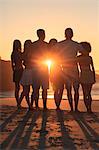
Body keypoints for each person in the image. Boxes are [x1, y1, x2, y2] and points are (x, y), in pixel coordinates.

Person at [58, 28, 83, 111]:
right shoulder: (76, 44)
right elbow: (84, 52)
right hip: (72, 67)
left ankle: (73, 108)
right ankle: (74, 108)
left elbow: (53, 51)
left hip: (66, 68)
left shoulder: (61, 44)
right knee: (75, 89)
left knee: (70, 89)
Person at [31, 29, 49, 109]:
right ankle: (43, 106)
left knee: (36, 88)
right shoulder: (46, 45)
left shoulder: (33, 45)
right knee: (43, 88)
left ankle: (36, 105)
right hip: (43, 68)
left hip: (37, 67)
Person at [77, 42, 96, 113]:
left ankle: (89, 108)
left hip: (88, 74)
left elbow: (93, 68)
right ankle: (88, 108)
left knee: (88, 93)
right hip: (84, 74)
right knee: (86, 93)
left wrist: (94, 77)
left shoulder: (89, 57)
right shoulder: (79, 57)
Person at [49, 38, 64, 109]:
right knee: (56, 89)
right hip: (54, 72)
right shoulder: (50, 53)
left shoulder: (59, 52)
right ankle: (57, 105)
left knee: (61, 89)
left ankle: (58, 104)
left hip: (59, 71)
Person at [19, 40, 33, 110]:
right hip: (27, 72)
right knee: (26, 90)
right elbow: (24, 62)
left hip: (29, 71)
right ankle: (29, 105)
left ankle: (20, 103)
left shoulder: (26, 53)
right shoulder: (25, 53)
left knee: (26, 90)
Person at [11, 40, 23, 108]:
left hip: (19, 70)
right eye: (16, 44)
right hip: (18, 70)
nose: (17, 45)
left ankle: (18, 102)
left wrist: (14, 70)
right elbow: (12, 64)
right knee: (18, 88)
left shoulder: (16, 53)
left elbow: (12, 64)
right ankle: (18, 103)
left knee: (18, 87)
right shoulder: (16, 53)